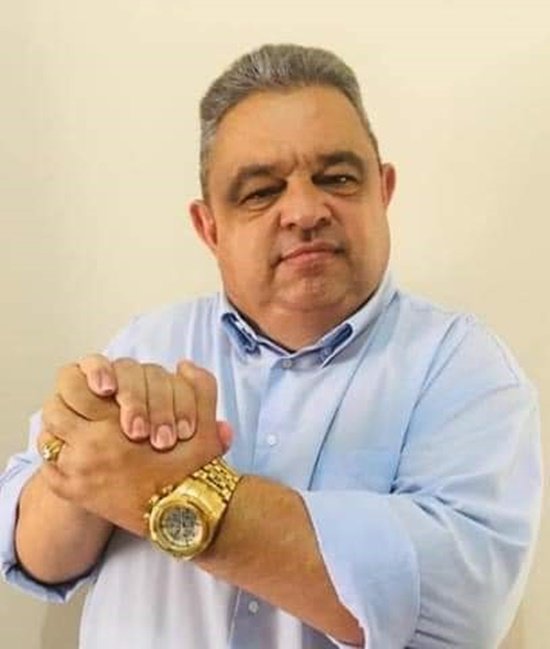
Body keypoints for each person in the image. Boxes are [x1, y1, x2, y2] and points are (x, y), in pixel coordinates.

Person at [0, 44, 542, 649]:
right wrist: (82, 466)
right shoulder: (145, 346)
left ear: (383, 191)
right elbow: (34, 555)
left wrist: (170, 489)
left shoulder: (467, 368)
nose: (305, 212)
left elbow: (460, 605)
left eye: (337, 178)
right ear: (209, 228)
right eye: (260, 191)